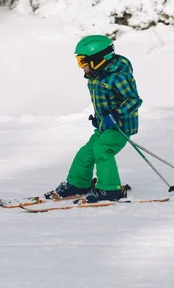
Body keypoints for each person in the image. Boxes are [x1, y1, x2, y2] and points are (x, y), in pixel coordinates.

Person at [45, 35, 143, 203]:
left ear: (98, 60)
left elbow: (134, 100)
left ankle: (110, 189)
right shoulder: (97, 74)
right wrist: (100, 120)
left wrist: (117, 114)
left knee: (102, 150)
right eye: (79, 61)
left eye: (83, 61)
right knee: (86, 153)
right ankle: (78, 184)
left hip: (121, 126)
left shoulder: (118, 76)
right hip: (105, 126)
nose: (81, 66)